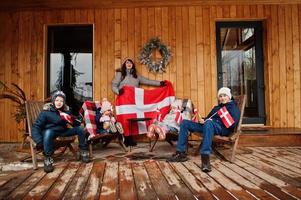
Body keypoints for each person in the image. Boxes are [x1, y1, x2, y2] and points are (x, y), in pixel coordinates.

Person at [167, 87, 240, 172]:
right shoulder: (217, 108)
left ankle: (205, 158)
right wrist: (203, 120)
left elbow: (233, 124)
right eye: (220, 96)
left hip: (222, 129)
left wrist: (211, 121)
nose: (222, 98)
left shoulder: (233, 107)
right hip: (209, 126)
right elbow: (209, 118)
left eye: (224, 95)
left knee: (209, 123)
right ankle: (180, 153)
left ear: (229, 97)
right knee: (185, 123)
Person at [112, 58, 166, 147]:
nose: (129, 64)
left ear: (133, 65)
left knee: (132, 119)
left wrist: (160, 83)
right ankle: (125, 139)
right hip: (123, 101)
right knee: (124, 119)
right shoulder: (120, 74)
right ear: (124, 64)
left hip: (133, 102)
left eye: (130, 63)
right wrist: (118, 91)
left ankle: (130, 139)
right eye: (127, 62)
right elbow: (114, 86)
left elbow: (148, 81)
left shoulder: (136, 76)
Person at [31, 91, 90, 173]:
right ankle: (48, 158)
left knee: (80, 129)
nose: (59, 102)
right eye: (57, 100)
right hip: (51, 132)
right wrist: (39, 140)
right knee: (48, 132)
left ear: (64, 102)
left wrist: (74, 118)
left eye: (61, 101)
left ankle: (83, 150)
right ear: (53, 101)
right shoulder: (46, 112)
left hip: (63, 131)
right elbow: (36, 127)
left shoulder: (66, 112)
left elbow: (75, 125)